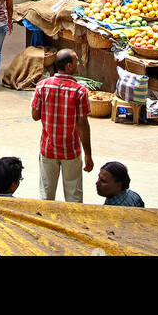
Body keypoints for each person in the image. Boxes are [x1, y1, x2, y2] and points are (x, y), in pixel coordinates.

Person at [31, 48, 93, 202]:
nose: (78, 64)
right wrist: (88, 154)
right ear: (69, 66)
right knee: (74, 197)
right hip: (70, 151)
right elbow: (83, 126)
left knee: (46, 196)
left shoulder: (42, 86)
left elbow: (35, 115)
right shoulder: (80, 91)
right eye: (76, 61)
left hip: (48, 149)